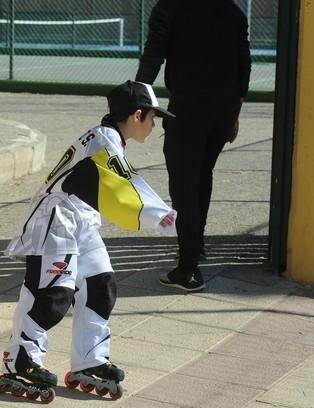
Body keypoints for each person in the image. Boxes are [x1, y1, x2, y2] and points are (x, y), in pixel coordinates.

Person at [0, 80, 177, 403]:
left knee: (101, 286)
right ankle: (22, 360)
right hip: (55, 222)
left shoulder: (107, 137)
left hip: (81, 222)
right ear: (137, 115)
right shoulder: (104, 142)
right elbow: (126, 184)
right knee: (51, 297)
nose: (153, 124)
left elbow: (116, 184)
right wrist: (157, 213)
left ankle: (90, 359)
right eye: (153, 117)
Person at [135, 0, 251, 292]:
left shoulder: (171, 7)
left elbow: (154, 54)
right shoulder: (232, 11)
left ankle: (187, 270)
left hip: (189, 108)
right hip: (222, 110)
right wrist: (233, 113)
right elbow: (243, 64)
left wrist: (137, 98)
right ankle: (195, 246)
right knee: (202, 175)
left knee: (185, 184)